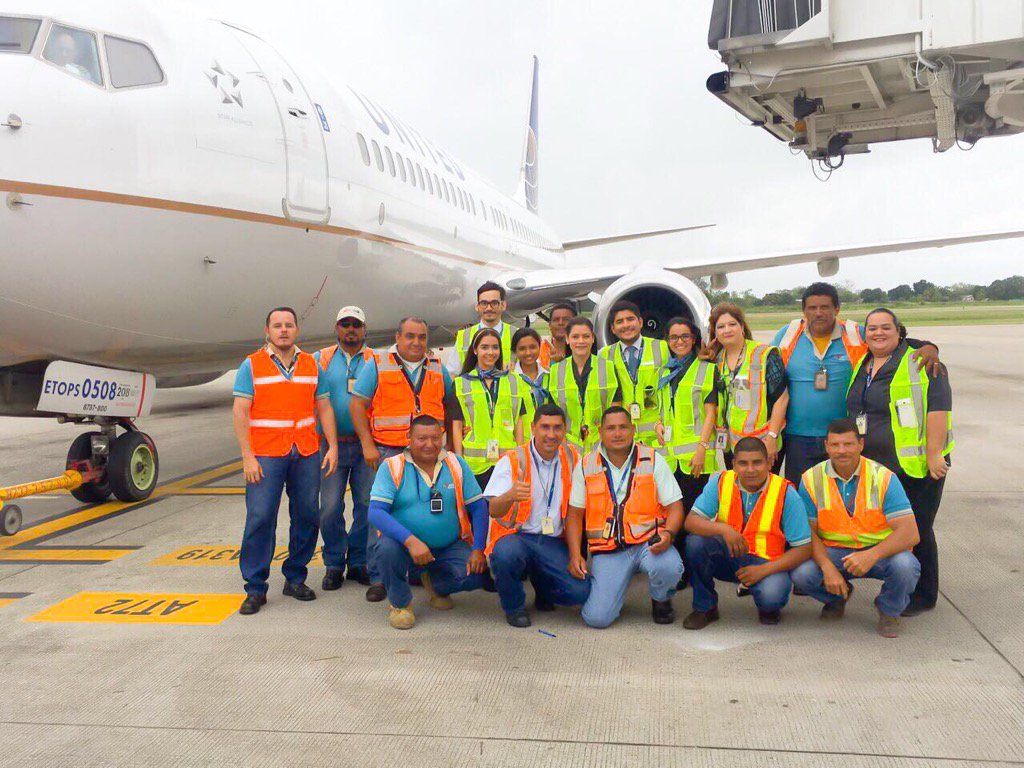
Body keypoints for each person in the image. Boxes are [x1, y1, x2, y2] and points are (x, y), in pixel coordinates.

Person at [773, 283, 941, 485]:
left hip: (844, 436)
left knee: (844, 494)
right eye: (812, 307)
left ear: (837, 309)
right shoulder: (788, 334)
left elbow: (887, 338)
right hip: (798, 436)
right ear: (804, 310)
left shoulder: (855, 333)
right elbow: (769, 370)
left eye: (825, 307)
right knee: (803, 493)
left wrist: (928, 347)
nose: (818, 313)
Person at [232, 307, 339, 615]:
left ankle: (295, 576)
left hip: (305, 452)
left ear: (296, 330)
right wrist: (247, 456)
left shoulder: (310, 364)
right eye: (277, 326)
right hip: (265, 455)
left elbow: (325, 407)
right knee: (261, 517)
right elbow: (240, 412)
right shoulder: (251, 365)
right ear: (267, 331)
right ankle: (255, 587)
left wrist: (331, 446)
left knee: (307, 514)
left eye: (288, 325)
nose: (283, 330)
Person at [847, 308, 953, 617]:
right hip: (878, 466)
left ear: (899, 331)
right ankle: (903, 583)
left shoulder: (924, 362)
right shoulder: (864, 363)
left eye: (885, 328)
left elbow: (938, 410)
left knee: (918, 527)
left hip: (917, 464)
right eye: (872, 329)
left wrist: (935, 453)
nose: (878, 333)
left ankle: (924, 594)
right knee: (891, 527)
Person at [350, 317, 455, 602]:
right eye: (410, 336)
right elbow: (357, 404)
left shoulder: (436, 367)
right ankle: (378, 576)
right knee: (381, 514)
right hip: (387, 452)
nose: (416, 342)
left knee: (422, 511)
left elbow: (449, 404)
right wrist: (367, 444)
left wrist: (451, 447)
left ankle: (417, 570)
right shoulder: (378, 365)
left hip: (427, 453)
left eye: (422, 337)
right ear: (397, 336)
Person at [791, 418, 921, 638]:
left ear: (860, 444)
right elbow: (808, 533)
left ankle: (889, 611)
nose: (841, 451)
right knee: (801, 572)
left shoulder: (883, 477)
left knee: (906, 566)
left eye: (848, 444)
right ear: (826, 446)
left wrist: (872, 555)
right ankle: (837, 598)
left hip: (880, 551)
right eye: (835, 445)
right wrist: (827, 567)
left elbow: (910, 533)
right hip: (835, 552)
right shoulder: (811, 478)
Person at [565, 407, 685, 628]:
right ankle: (612, 588)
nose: (617, 433)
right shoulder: (586, 464)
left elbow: (675, 506)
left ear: (633, 430)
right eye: (611, 428)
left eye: (623, 427)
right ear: (600, 432)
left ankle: (661, 599)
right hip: (610, 550)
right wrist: (574, 554)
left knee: (670, 567)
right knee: (597, 619)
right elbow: (574, 514)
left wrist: (668, 534)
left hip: (649, 544)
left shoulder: (652, 459)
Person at [367, 415, 490, 629]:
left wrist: (478, 548)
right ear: (409, 438)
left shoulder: (455, 464)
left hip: (448, 545)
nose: (429, 444)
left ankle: (436, 584)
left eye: (435, 438)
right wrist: (411, 541)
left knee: (477, 576)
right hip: (404, 546)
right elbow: (376, 512)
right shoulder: (392, 466)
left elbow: (478, 507)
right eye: (422, 438)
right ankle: (400, 603)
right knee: (386, 549)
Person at [683, 437, 811, 629]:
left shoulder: (786, 493)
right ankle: (705, 607)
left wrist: (763, 571)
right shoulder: (721, 481)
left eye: (757, 462)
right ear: (734, 464)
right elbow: (691, 521)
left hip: (766, 562)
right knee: (695, 543)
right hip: (729, 556)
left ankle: (767, 607)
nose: (750, 470)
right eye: (743, 463)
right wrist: (724, 529)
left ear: (769, 463)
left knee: (772, 594)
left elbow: (804, 549)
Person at [483, 403, 591, 627]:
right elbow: (493, 509)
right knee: (505, 556)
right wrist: (510, 495)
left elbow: (575, 511)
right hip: (518, 537)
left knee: (581, 593)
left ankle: (544, 587)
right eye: (545, 427)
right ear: (533, 428)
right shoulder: (512, 459)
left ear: (564, 430)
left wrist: (574, 554)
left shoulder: (573, 457)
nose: (551, 435)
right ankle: (514, 607)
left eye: (557, 428)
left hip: (553, 540)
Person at [314, 306, 378, 591]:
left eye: (356, 324)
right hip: (331, 446)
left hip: (366, 445)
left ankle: (359, 562)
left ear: (365, 329)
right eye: (345, 324)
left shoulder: (377, 360)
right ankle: (334, 563)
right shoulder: (320, 359)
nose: (350, 329)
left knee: (366, 505)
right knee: (329, 507)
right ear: (336, 328)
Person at [654, 317, 720, 586]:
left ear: (694, 339)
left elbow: (711, 413)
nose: (679, 342)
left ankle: (694, 571)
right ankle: (678, 568)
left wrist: (702, 448)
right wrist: (658, 423)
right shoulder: (664, 372)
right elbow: (663, 407)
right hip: (670, 457)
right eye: (673, 338)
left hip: (695, 456)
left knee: (692, 516)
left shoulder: (706, 369)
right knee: (673, 513)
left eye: (684, 337)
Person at [703, 303, 788, 470]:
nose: (727, 330)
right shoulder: (717, 361)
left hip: (763, 442)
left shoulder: (765, 355)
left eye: (732, 324)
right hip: (732, 445)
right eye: (721, 326)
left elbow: (782, 399)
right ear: (715, 333)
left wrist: (772, 436)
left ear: (742, 327)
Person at [451, 328, 526, 488]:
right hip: (474, 465)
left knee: (504, 511)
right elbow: (456, 425)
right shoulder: (461, 383)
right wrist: (460, 461)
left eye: (495, 347)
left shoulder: (514, 381)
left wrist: (520, 456)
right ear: (475, 350)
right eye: (484, 347)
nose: (490, 352)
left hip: (506, 460)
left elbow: (519, 423)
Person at [547, 317, 619, 452]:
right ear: (567, 339)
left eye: (586, 336)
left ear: (593, 338)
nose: (581, 341)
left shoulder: (607, 367)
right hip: (568, 445)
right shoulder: (556, 371)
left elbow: (616, 407)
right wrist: (562, 446)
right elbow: (554, 413)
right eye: (575, 337)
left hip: (602, 444)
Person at [446, 281, 519, 375]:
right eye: (484, 303)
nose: (489, 308)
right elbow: (452, 373)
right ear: (477, 306)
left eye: (494, 303)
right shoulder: (464, 336)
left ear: (503, 305)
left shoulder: (516, 335)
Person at [510, 327, 550, 441]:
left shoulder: (549, 376)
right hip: (522, 441)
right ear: (515, 351)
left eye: (533, 347)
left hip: (548, 440)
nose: (528, 353)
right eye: (522, 349)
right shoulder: (509, 379)